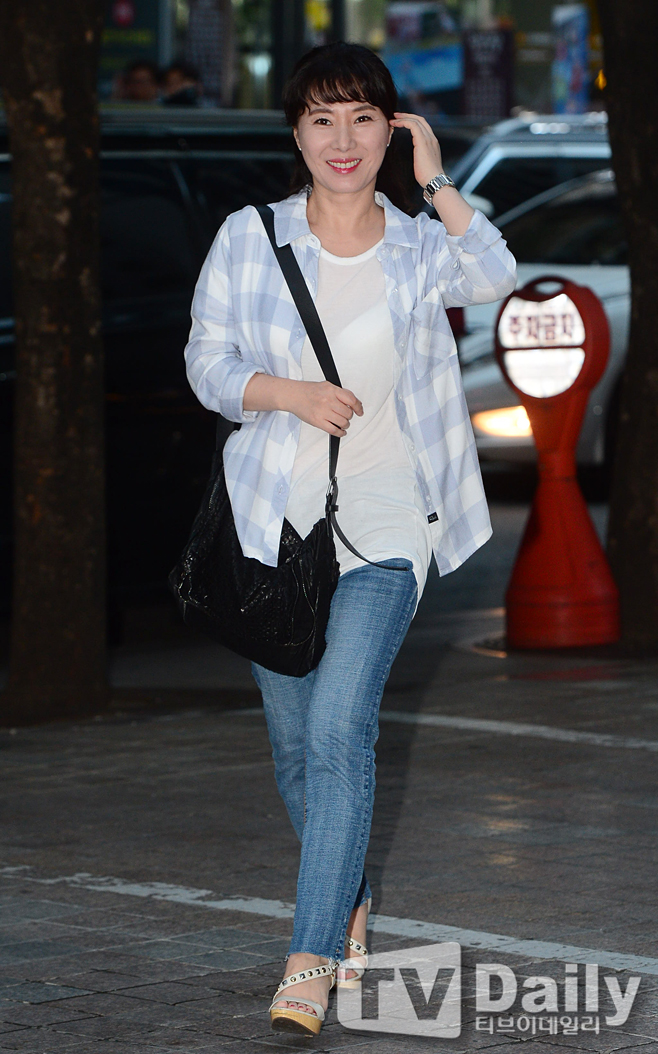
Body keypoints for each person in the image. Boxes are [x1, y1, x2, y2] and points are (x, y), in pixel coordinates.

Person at [183, 42, 516, 1036]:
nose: (342, 139)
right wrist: (285, 393)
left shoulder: (419, 244)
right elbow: (206, 361)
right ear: (296, 134)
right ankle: (349, 900)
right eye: (322, 119)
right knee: (296, 751)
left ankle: (310, 959)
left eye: (363, 117)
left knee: (338, 730)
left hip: (388, 521)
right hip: (275, 528)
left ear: (391, 130)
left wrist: (439, 181)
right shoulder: (252, 237)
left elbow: (496, 275)